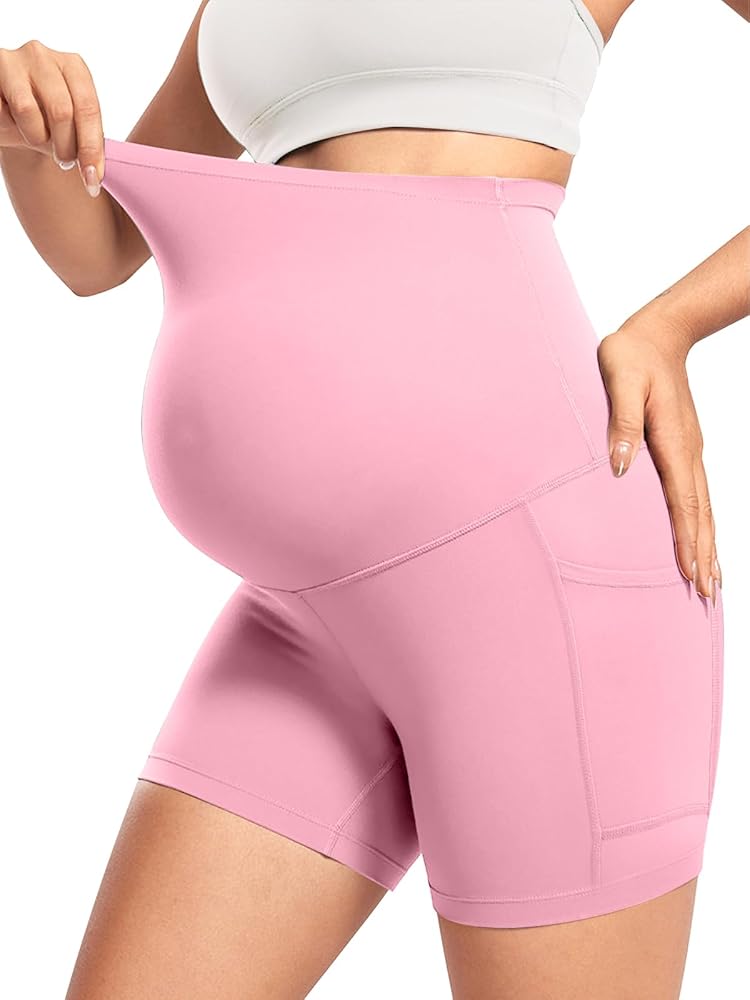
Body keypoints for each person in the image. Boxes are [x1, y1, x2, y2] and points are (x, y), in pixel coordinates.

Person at [0, 2, 747, 997]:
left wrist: (673, 324)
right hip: (304, 622)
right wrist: (20, 127)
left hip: (531, 584)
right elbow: (99, 250)